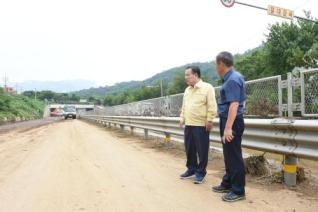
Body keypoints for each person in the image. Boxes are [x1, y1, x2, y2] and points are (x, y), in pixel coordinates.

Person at [212, 52, 246, 202]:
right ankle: (228, 183)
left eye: (216, 64)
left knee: (234, 156)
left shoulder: (232, 79)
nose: (215, 67)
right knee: (228, 155)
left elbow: (234, 104)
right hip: (228, 120)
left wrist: (227, 128)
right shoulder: (231, 78)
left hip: (231, 122)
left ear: (221, 64)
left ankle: (238, 191)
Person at [179, 66, 217, 184]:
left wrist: (210, 120)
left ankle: (201, 172)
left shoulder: (207, 88)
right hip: (189, 124)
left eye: (188, 75)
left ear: (195, 75)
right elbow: (184, 106)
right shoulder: (187, 90)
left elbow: (212, 105)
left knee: (202, 150)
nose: (186, 77)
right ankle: (191, 169)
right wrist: (182, 118)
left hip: (201, 124)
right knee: (189, 148)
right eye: (185, 75)